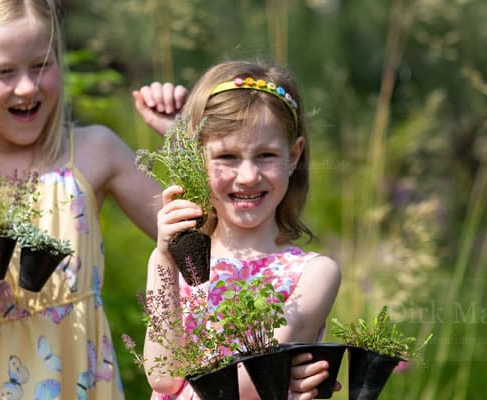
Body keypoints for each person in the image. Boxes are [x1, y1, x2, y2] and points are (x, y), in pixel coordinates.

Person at [0, 1, 185, 399]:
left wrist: (184, 139)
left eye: (42, 64)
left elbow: (201, 242)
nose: (27, 87)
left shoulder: (94, 153)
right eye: (4, 72)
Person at [142, 59, 343, 400]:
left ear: (293, 156)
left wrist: (278, 379)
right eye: (227, 157)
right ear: (196, 160)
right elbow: (162, 376)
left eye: (265, 155)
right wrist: (164, 257)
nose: (248, 176)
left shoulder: (313, 274)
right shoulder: (174, 262)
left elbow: (248, 385)